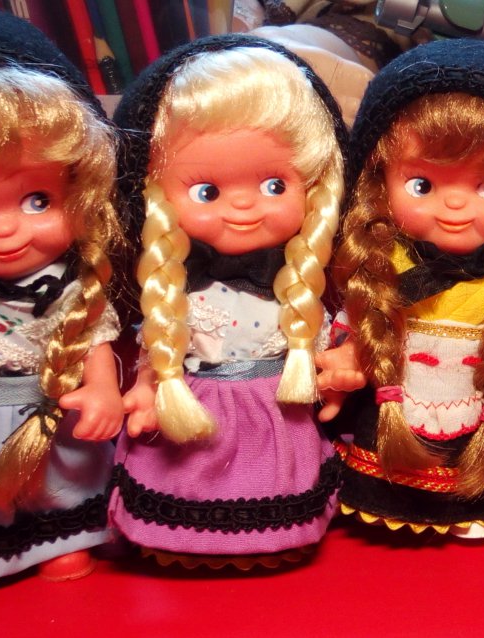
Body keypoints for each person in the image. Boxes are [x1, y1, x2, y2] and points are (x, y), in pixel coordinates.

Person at [318, 38, 484, 538]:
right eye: (422, 185)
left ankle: (468, 506)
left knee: (476, 444)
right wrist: (348, 355)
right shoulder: (384, 265)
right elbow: (360, 315)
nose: (454, 206)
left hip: (482, 395)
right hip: (399, 393)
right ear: (381, 182)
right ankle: (394, 501)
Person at [108, 34, 346, 569]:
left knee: (277, 488)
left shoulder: (300, 283)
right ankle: (182, 540)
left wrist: (335, 371)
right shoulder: (172, 285)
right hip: (192, 409)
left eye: (274, 185)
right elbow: (156, 345)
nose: (243, 206)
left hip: (275, 412)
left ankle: (271, 538)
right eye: (207, 191)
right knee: (181, 484)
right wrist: (146, 390)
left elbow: (324, 346)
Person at [0, 8, 123, 581]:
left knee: (61, 481)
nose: (5, 231)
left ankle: (61, 540)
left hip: (48, 410)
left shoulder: (73, 286)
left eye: (37, 200)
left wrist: (103, 392)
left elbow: (93, 339)